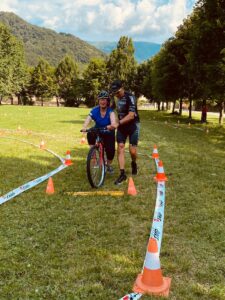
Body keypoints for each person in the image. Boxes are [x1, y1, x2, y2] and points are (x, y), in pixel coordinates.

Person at [110, 80, 140, 185]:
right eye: (114, 93)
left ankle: (134, 163)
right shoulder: (115, 97)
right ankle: (122, 174)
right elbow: (111, 108)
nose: (116, 95)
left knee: (132, 151)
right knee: (121, 147)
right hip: (122, 127)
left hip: (133, 126)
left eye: (118, 92)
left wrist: (118, 123)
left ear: (122, 88)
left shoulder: (130, 97)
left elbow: (131, 115)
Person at [82, 90, 118, 174]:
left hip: (108, 132)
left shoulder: (110, 111)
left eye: (105, 99)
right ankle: (93, 153)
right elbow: (88, 119)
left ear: (107, 101)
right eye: (101, 99)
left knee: (110, 151)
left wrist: (111, 126)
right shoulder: (94, 110)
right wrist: (84, 128)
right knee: (90, 132)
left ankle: (108, 165)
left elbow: (113, 122)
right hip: (98, 130)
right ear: (98, 101)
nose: (103, 101)